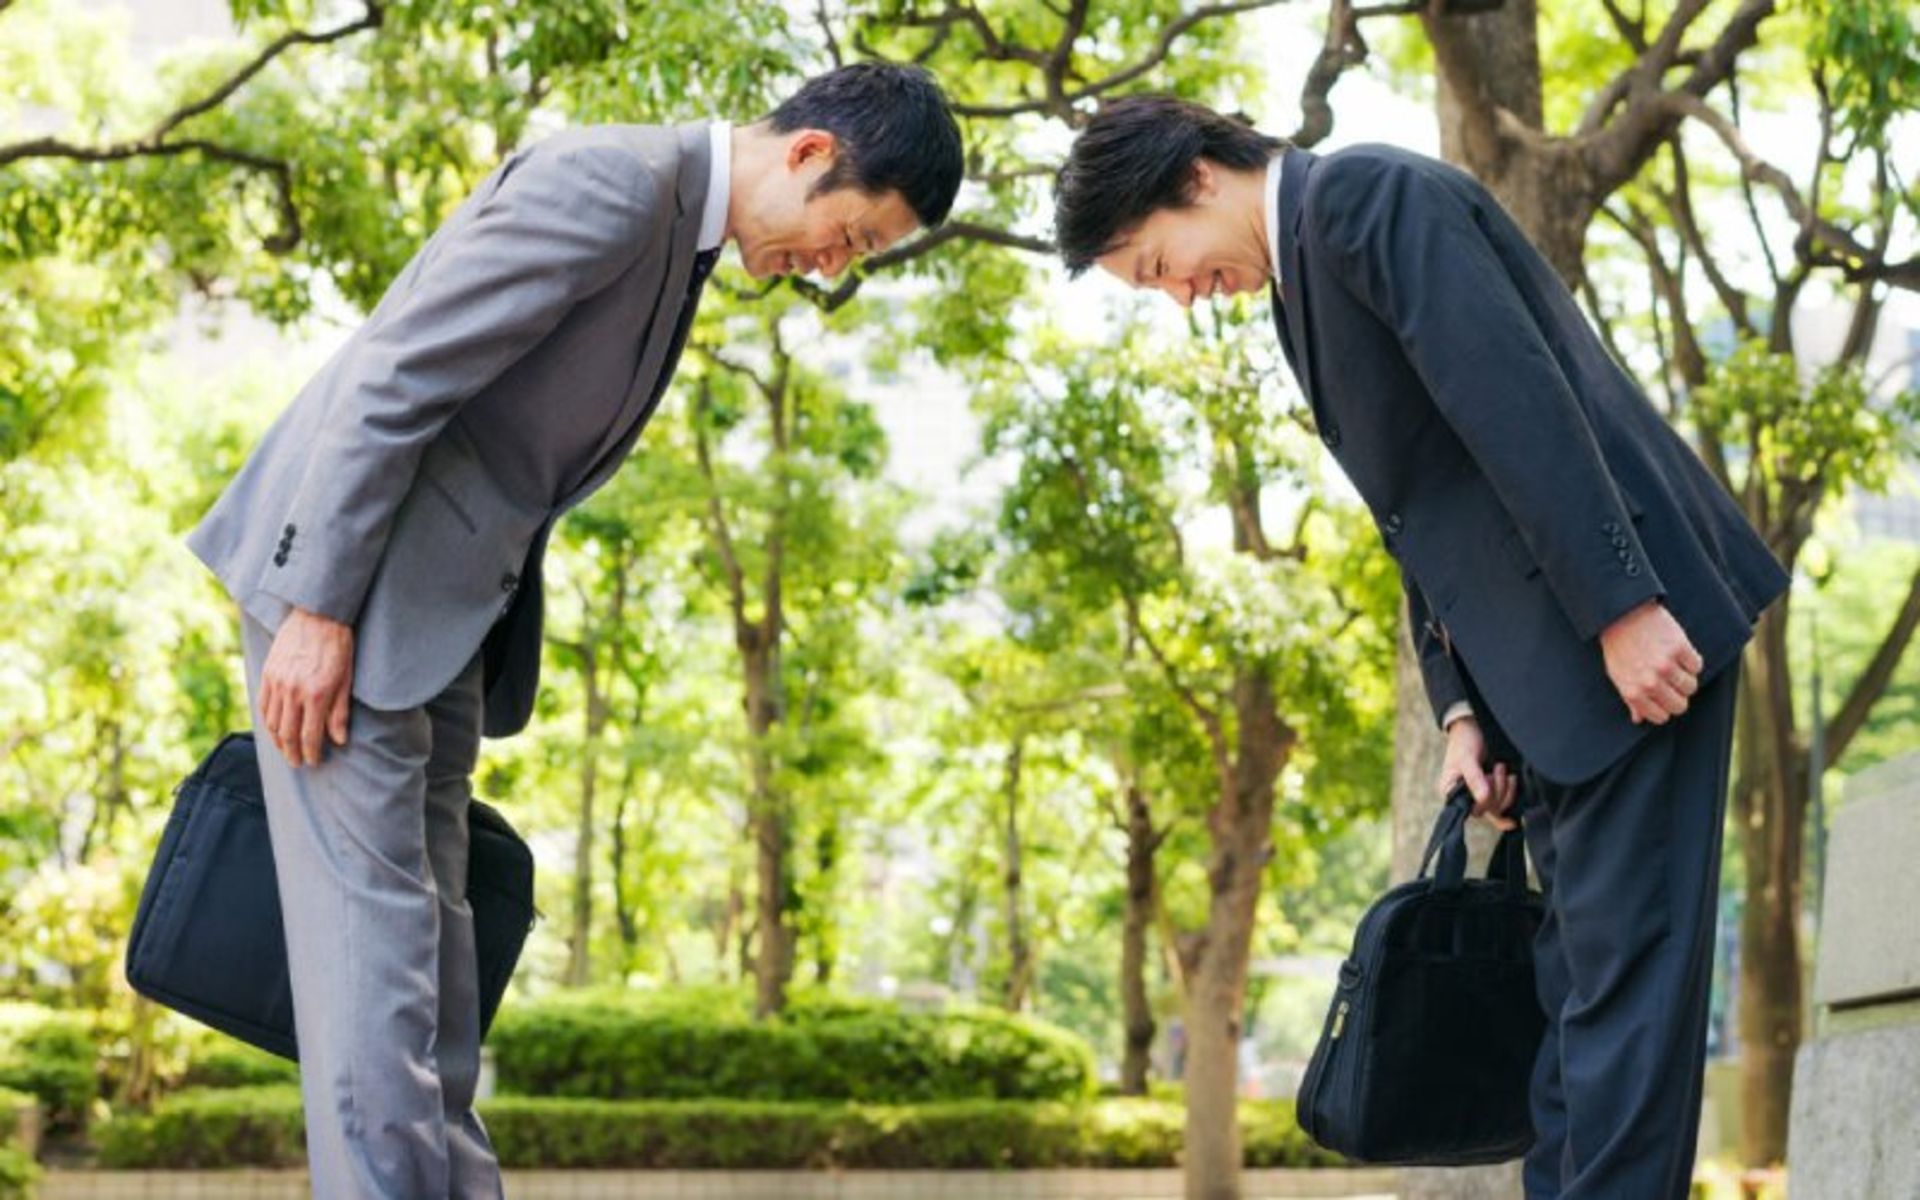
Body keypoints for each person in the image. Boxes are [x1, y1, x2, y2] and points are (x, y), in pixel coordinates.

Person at [184, 63, 964, 1198]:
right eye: (850, 235)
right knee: (376, 980)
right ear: (806, 154)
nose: (835, 267)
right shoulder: (615, 183)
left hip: (435, 624)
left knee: (437, 976)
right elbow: (398, 374)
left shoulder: (677, 238)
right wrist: (316, 606)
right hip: (352, 600)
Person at [1051, 95, 1788, 1200]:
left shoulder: (1370, 197)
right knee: (1575, 1008)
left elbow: (1520, 410)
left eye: (1161, 265)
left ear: (1199, 176)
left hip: (1636, 648)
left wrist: (1622, 610)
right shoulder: (1299, 286)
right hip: (1548, 687)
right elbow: (1423, 514)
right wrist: (1461, 712)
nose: (1179, 294)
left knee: (1627, 1017)